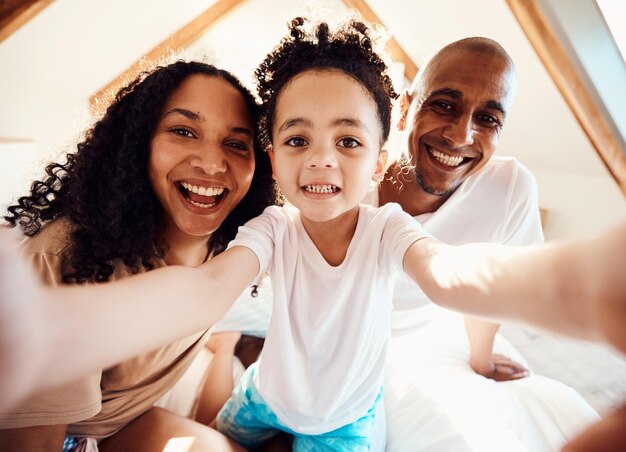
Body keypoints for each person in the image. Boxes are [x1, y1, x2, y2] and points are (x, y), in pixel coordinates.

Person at [0, 16, 625, 452]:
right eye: (298, 139)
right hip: (264, 395)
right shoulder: (272, 224)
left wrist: (584, 281)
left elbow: (451, 276)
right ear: (274, 154)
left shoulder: (389, 229)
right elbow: (207, 291)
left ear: (380, 160)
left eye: (348, 142)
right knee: (218, 408)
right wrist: (62, 324)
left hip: (345, 419)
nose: (323, 160)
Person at [0, 60, 277, 451]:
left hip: (115, 423)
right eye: (183, 132)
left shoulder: (233, 247)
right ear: (137, 145)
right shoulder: (63, 261)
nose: (213, 164)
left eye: (235, 143)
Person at [371, 38, 601, 450]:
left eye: (488, 119)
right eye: (444, 105)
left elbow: (495, 288)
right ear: (406, 107)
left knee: (554, 419)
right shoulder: (349, 173)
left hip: (441, 335)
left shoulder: (510, 188)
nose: (462, 135)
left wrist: (481, 357)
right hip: (362, 346)